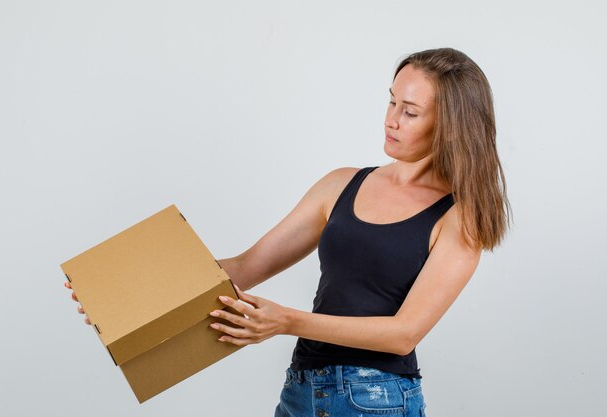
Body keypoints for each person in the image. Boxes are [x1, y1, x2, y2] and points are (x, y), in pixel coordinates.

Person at [65, 47, 510, 416]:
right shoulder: (342, 183)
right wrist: (124, 298)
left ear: (449, 127)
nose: (391, 119)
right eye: (391, 101)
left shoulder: (461, 217)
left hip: (376, 398)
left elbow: (403, 333)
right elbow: (245, 267)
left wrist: (287, 322)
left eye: (410, 112)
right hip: (301, 388)